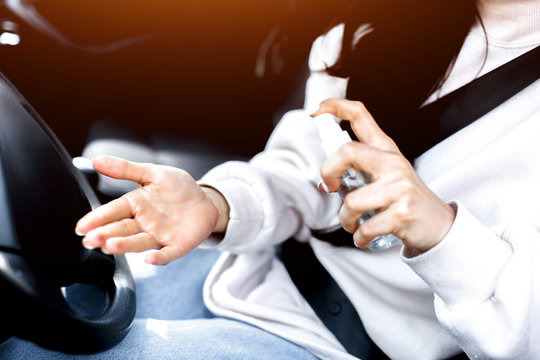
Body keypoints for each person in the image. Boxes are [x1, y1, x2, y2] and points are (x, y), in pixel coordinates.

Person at [2, 0, 539, 358]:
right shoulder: (381, 25)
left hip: (334, 345)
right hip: (255, 273)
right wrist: (217, 203)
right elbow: (309, 169)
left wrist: (442, 234)